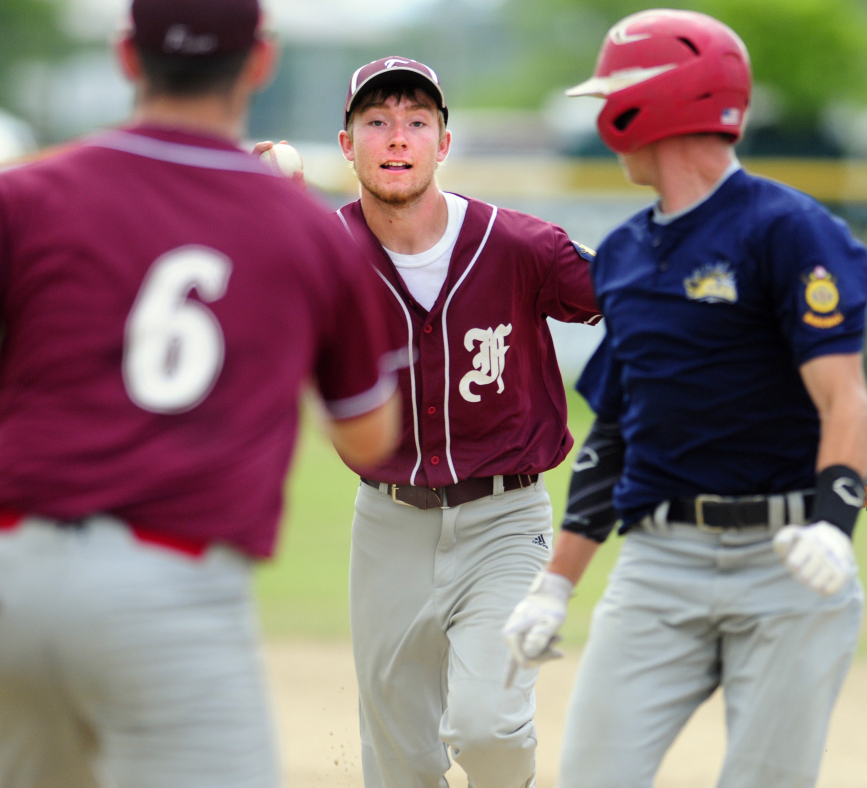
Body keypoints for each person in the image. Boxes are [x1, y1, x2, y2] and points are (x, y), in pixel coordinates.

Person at [0, 1, 398, 786]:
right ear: (261, 63)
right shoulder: (303, 231)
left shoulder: (24, 191)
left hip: (5, 582)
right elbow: (372, 438)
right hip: (168, 598)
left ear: (127, 57)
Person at [502, 9, 867, 788]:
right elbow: (615, 432)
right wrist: (554, 586)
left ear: (651, 101)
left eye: (611, 92)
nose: (601, 112)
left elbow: (846, 401)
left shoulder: (789, 230)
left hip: (789, 563)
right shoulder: (629, 255)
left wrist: (836, 528)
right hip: (659, 566)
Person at [332, 55, 600, 788]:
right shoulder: (322, 252)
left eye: (418, 121)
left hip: (506, 519)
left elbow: (644, 297)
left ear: (443, 144)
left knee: (490, 730)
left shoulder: (519, 245)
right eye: (377, 121)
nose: (397, 137)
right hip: (387, 525)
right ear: (346, 142)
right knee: (400, 761)